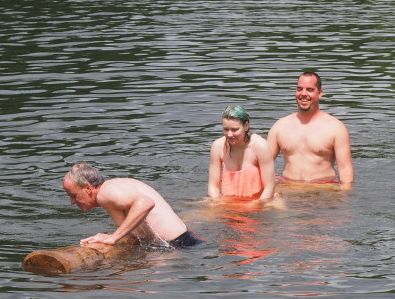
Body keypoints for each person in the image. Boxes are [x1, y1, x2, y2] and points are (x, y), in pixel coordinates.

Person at [63, 162, 204, 248]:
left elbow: (146, 203)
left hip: (181, 245)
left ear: (88, 188)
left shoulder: (106, 193)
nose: (72, 202)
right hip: (187, 241)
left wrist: (113, 237)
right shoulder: (113, 187)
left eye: (73, 195)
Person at [267, 71, 353, 187]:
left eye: (310, 90)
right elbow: (263, 164)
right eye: (299, 89)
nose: (303, 94)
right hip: (288, 189)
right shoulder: (280, 126)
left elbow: (345, 168)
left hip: (323, 190)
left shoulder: (335, 128)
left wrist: (344, 193)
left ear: (320, 93)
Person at [207, 104, 276, 202]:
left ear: (246, 126)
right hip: (229, 202)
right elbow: (213, 186)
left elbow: (269, 188)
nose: (229, 134)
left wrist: (256, 205)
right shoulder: (218, 147)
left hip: (259, 202)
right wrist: (215, 203)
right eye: (225, 129)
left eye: (234, 130)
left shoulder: (260, 146)